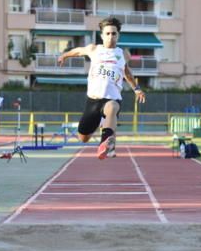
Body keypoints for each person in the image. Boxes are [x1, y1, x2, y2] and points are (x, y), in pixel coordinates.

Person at [57, 16, 146, 159]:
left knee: (112, 107)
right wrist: (64, 56)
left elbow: (127, 72)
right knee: (83, 138)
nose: (111, 37)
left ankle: (106, 142)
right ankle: (100, 123)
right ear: (102, 35)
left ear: (118, 35)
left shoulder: (123, 54)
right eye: (108, 33)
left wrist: (137, 89)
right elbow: (78, 51)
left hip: (112, 98)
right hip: (93, 101)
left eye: (114, 33)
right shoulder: (94, 49)